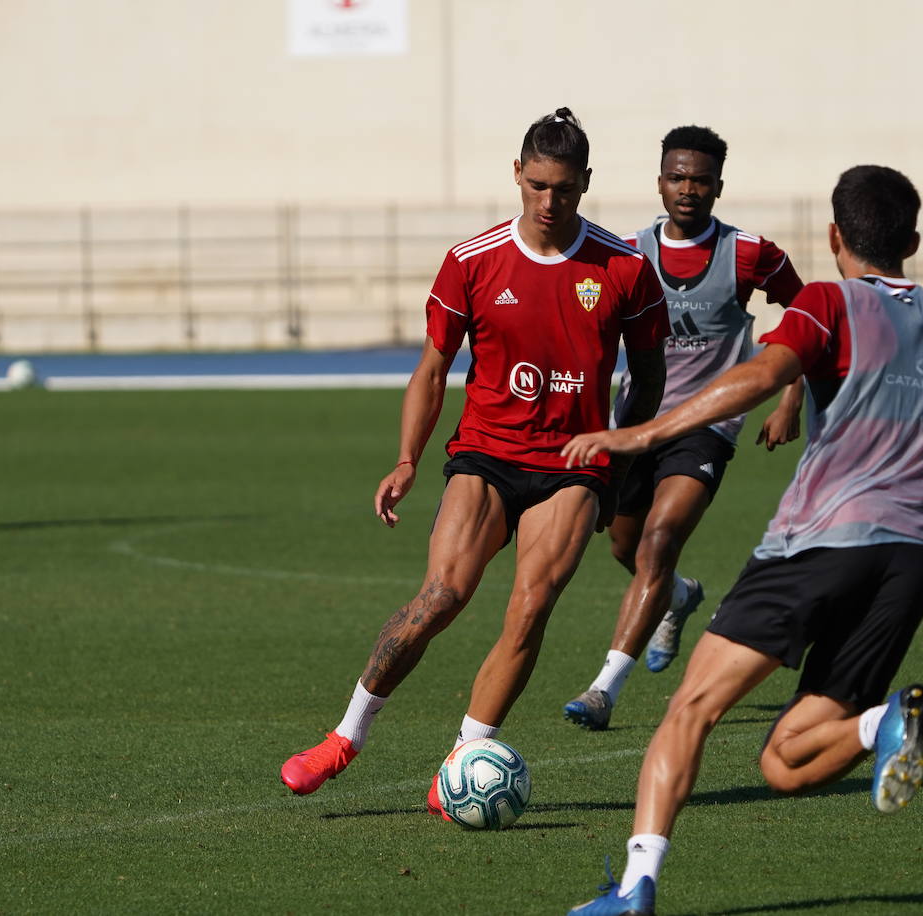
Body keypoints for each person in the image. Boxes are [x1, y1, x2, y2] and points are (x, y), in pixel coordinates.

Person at [563, 165, 923, 915]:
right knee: (785, 763)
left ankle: (634, 889)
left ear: (834, 236)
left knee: (690, 709)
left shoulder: (829, 302)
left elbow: (762, 375)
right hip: (910, 564)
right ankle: (881, 723)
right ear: (913, 241)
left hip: (818, 546)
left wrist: (642, 434)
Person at [280, 108, 670, 816]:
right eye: (538, 185)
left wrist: (617, 461)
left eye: (565, 189)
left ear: (586, 183)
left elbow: (648, 378)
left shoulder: (624, 267)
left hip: (573, 465)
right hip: (486, 455)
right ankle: (345, 737)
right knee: (441, 596)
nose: (549, 202)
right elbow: (432, 370)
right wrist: (406, 460)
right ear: (517, 174)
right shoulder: (472, 260)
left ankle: (463, 760)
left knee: (530, 608)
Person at [563, 126, 806, 732]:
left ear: (719, 186)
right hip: (635, 421)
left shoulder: (749, 253)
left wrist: (790, 397)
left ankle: (603, 690)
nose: (688, 189)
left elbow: (805, 315)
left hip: (707, 425)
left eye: (700, 179)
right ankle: (676, 596)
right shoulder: (625, 253)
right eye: (677, 177)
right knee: (623, 546)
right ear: (660, 182)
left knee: (658, 540)